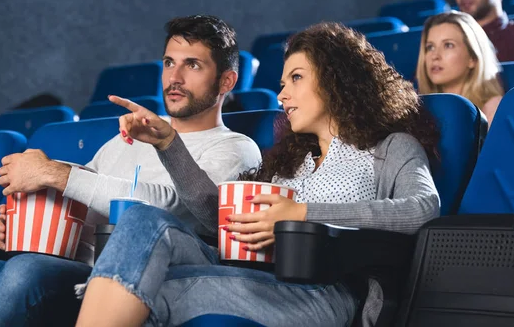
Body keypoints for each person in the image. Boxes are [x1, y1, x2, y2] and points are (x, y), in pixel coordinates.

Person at [75, 22, 441, 327]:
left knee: (143, 291)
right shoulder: (288, 162)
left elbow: (421, 209)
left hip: (324, 289)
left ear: (337, 81)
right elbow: (217, 217)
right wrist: (169, 143)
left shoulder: (391, 147)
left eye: (296, 78)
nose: (282, 94)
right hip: (255, 275)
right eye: (282, 83)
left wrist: (301, 214)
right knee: (142, 220)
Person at [0, 15, 262, 326]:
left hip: (122, 284)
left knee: (24, 271)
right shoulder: (127, 136)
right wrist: (24, 221)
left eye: (193, 65)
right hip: (68, 264)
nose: (175, 77)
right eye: (169, 62)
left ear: (226, 81)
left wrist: (54, 173)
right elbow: (84, 197)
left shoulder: (236, 148)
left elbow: (171, 209)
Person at [416, 11, 504, 126]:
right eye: (430, 47)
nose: (435, 56)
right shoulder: (417, 110)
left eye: (448, 45)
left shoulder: (494, 108)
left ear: (472, 58)